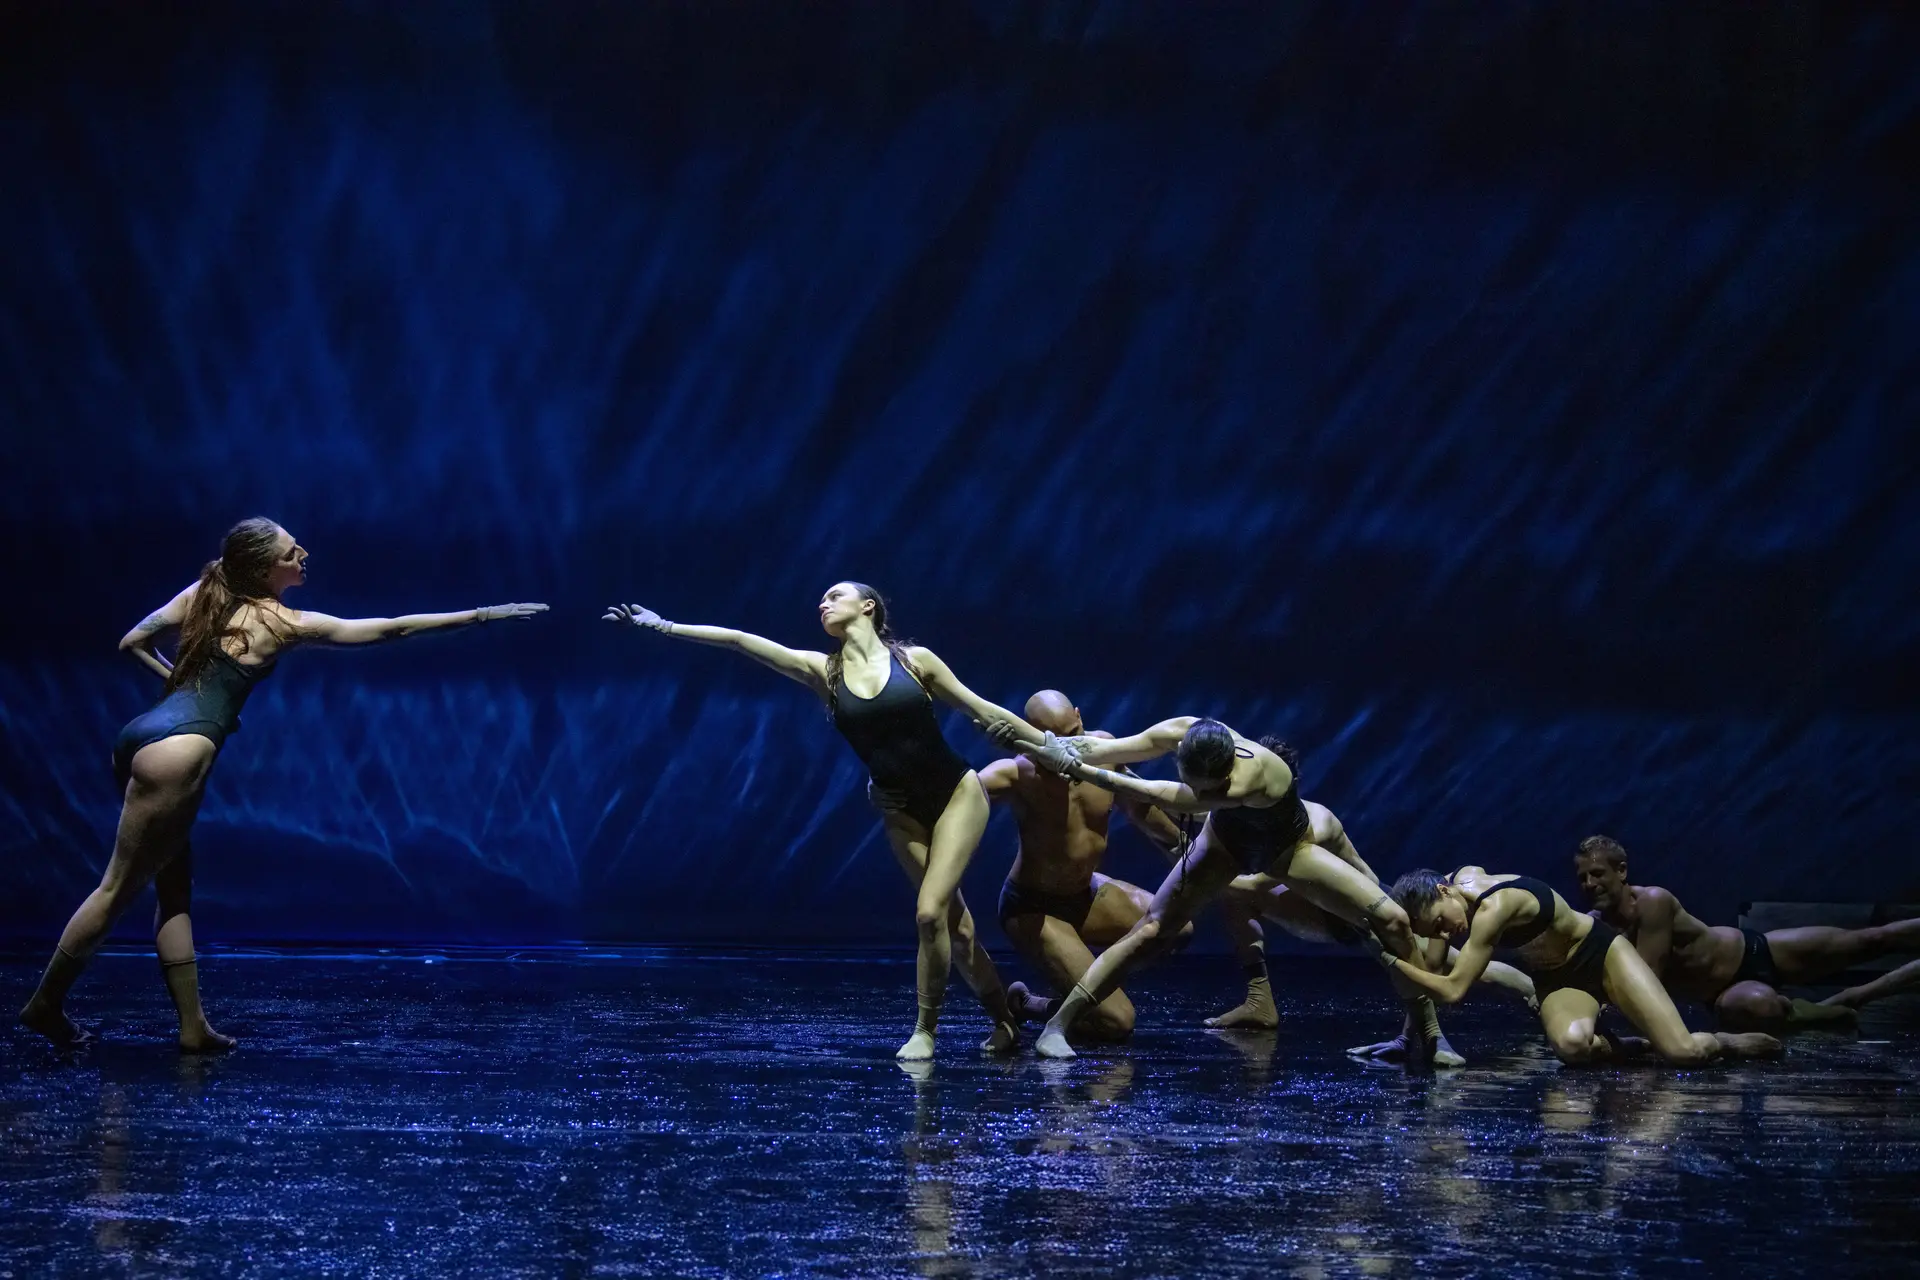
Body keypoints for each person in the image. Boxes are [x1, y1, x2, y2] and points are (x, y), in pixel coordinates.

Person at [19, 517, 547, 1051]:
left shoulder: (205, 591)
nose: (303, 554)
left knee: (174, 887)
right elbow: (392, 629)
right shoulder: (284, 624)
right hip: (180, 753)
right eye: (292, 552)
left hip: (142, 735)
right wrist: (480, 615)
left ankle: (192, 1027)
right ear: (264, 568)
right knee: (116, 890)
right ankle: (45, 1004)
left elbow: (133, 642)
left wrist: (180, 688)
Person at [604, 583, 1048, 1060]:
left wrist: (1055, 749)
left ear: (868, 606)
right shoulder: (824, 671)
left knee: (928, 912)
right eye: (821, 599)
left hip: (956, 795)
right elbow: (739, 640)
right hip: (900, 810)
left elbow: (980, 707)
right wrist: (667, 627)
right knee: (955, 928)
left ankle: (925, 1031)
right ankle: (1005, 1020)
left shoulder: (915, 661)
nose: (823, 603)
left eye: (835, 596)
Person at [987, 716, 1423, 1059]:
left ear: (1223, 778)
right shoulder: (1191, 732)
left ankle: (1423, 1036)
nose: (1194, 788)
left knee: (1391, 919)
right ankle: (1057, 1025)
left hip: (1288, 852)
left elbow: (1154, 792)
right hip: (1227, 842)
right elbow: (1116, 748)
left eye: (1201, 786)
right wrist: (1035, 743)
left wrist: (1082, 770)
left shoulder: (1251, 787)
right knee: (1154, 927)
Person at [1382, 866, 1781, 1066]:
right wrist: (1406, 1038)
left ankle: (1723, 1042)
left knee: (1684, 1054)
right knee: (1573, 1049)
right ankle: (1637, 1045)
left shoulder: (1494, 908)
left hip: (1601, 954)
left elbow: (1453, 989)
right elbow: (1432, 970)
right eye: (1435, 931)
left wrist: (1392, 961)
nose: (1447, 932)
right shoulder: (1451, 891)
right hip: (1556, 979)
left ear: (1443, 889)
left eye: (1441, 923)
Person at [980, 690, 1190, 1044]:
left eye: (1074, 733)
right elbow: (956, 794)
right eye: (1055, 739)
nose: (1069, 749)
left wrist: (1189, 849)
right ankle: (1030, 1004)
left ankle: (1080, 981)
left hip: (1085, 894)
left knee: (1177, 927)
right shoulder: (1017, 773)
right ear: (1030, 735)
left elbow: (1139, 807)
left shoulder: (1103, 751)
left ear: (1079, 716)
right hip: (1034, 908)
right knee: (1117, 1023)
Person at [1575, 835, 1920, 1034]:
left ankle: (1849, 999)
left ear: (1621, 871)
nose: (1589, 884)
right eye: (1582, 878)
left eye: (1597, 873)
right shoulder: (1595, 926)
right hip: (1724, 994)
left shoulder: (1653, 902)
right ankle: (1827, 1010)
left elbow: (1647, 979)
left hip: (1758, 951)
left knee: (1871, 940)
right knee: (1758, 1008)